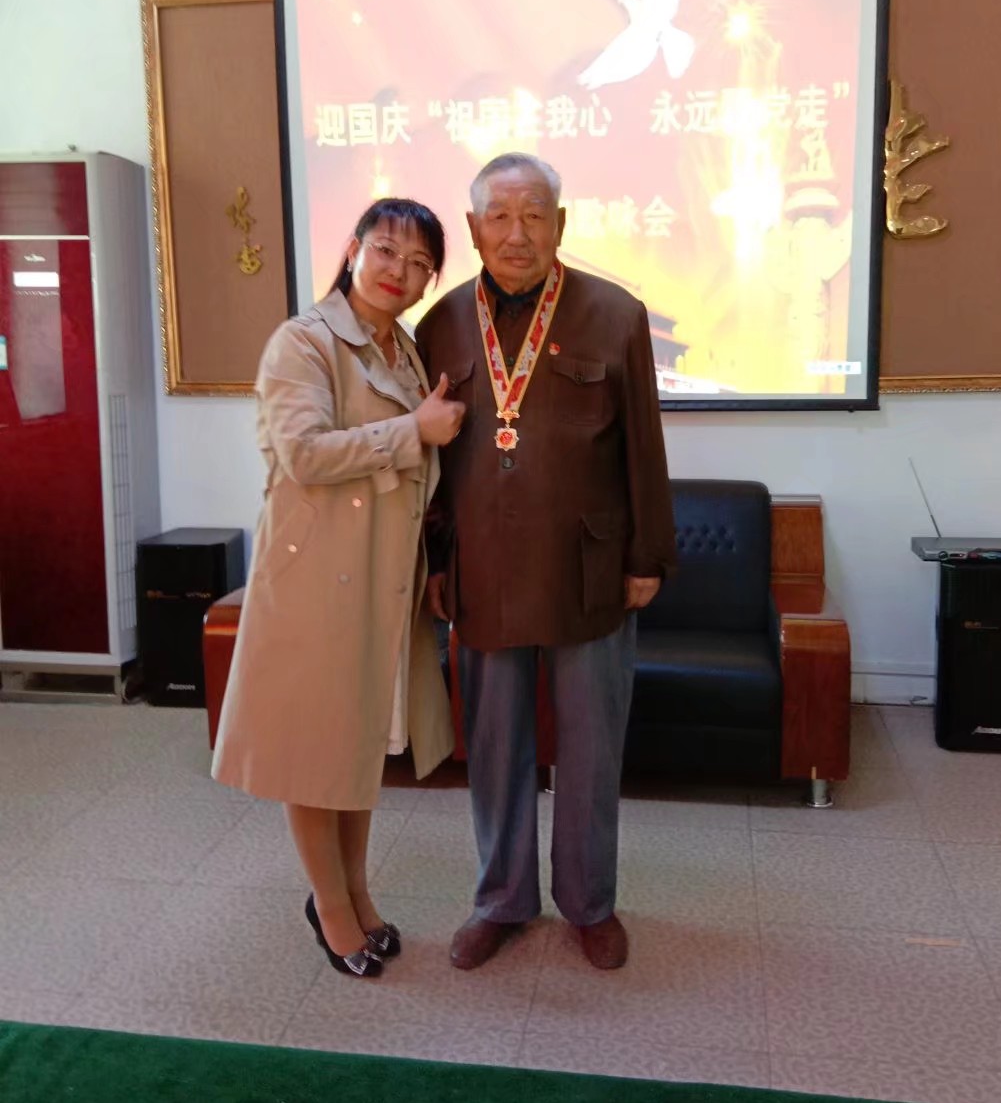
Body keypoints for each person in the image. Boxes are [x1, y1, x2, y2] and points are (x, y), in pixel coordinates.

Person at [415, 153, 675, 972]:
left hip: (588, 568)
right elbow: (430, 467)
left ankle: (590, 904)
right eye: (499, 217)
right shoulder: (440, 325)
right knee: (493, 747)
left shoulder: (616, 314)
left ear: (559, 225)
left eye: (534, 216)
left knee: (592, 750)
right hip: (482, 567)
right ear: (473, 229)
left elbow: (644, 446)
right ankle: (501, 900)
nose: (516, 233)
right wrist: (434, 562)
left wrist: (647, 555)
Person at [212, 198, 464, 977]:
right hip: (318, 577)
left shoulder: (406, 350)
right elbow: (305, 453)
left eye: (419, 264)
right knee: (315, 751)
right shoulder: (304, 340)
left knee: (357, 747)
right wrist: (413, 432)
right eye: (387, 251)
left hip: (383, 579)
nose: (399, 272)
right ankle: (329, 906)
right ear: (353, 249)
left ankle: (356, 892)